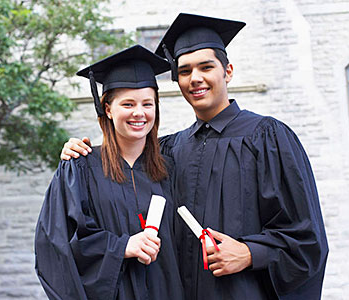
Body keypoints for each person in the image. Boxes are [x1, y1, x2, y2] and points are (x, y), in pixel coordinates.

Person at [59, 13, 329, 300]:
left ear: (228, 71)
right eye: (185, 71)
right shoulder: (168, 150)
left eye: (206, 67)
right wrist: (80, 152)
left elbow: (307, 239)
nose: (195, 78)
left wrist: (251, 253)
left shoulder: (267, 138)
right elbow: (122, 191)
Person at [35, 45, 184, 300]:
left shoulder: (171, 167)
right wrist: (122, 246)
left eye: (148, 104)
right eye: (128, 103)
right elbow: (56, 244)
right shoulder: (79, 167)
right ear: (107, 108)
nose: (139, 113)